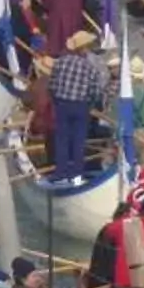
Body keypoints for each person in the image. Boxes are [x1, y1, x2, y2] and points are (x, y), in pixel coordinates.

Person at [46, 29, 109, 181]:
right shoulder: (90, 68)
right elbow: (95, 90)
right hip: (81, 106)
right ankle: (77, 174)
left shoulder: (60, 62)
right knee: (79, 140)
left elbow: (52, 85)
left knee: (62, 138)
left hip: (62, 104)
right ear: (85, 47)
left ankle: (61, 172)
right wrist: (90, 104)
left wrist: (56, 100)